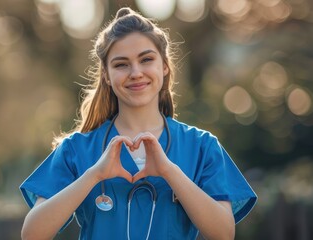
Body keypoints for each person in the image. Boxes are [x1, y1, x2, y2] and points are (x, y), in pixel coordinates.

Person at [19, 7, 257, 240]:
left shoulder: (202, 146)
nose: (135, 72)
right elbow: (32, 234)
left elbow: (224, 233)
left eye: (146, 59)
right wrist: (94, 175)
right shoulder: (76, 149)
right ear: (106, 75)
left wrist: (169, 171)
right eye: (121, 64)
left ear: (164, 66)